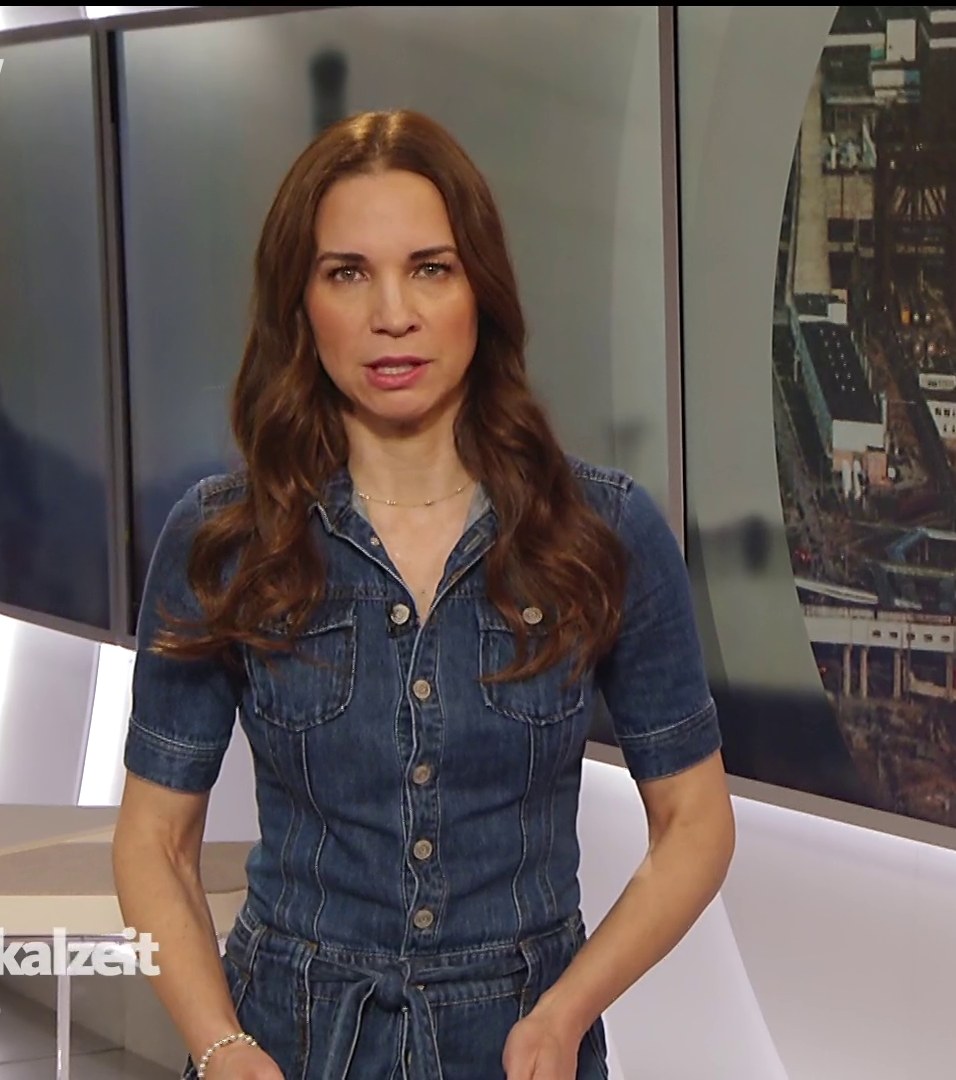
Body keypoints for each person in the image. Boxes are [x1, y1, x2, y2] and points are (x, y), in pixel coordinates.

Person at [110, 108, 735, 1080]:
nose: (391, 313)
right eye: (347, 273)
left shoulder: (601, 532)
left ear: (480, 288)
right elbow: (154, 842)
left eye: (430, 268)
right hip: (290, 1044)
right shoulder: (225, 540)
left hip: (521, 1047)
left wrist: (566, 1014)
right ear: (300, 301)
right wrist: (220, 1046)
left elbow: (696, 823)